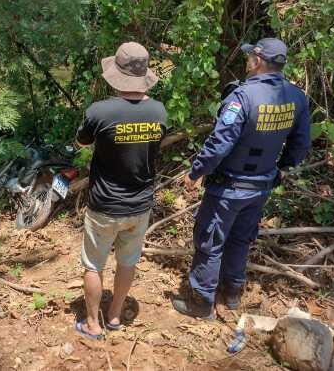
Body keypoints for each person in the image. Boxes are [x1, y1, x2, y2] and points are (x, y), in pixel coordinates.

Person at [173, 38, 311, 319]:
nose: (247, 60)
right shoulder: (296, 97)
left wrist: (196, 172)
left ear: (258, 61)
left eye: (250, 56)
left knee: (210, 242)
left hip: (228, 189)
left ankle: (201, 303)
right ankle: (232, 294)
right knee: (240, 240)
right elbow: (301, 142)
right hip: (261, 187)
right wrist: (283, 168)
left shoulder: (242, 97)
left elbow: (219, 144)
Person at [74, 42, 168, 339]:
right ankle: (114, 316)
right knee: (128, 262)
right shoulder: (159, 111)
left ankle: (92, 324)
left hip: (104, 206)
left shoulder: (100, 111)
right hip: (140, 206)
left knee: (93, 265)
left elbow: (82, 143)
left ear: (116, 74)